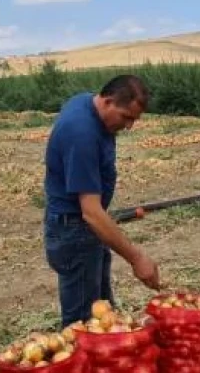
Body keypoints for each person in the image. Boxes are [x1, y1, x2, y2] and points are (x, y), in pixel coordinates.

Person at [43, 74, 162, 328]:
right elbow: (91, 213)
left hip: (81, 230)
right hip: (75, 231)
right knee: (84, 326)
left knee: (102, 314)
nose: (129, 126)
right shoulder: (82, 133)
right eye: (126, 117)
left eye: (135, 120)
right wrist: (136, 258)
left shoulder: (86, 102)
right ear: (108, 102)